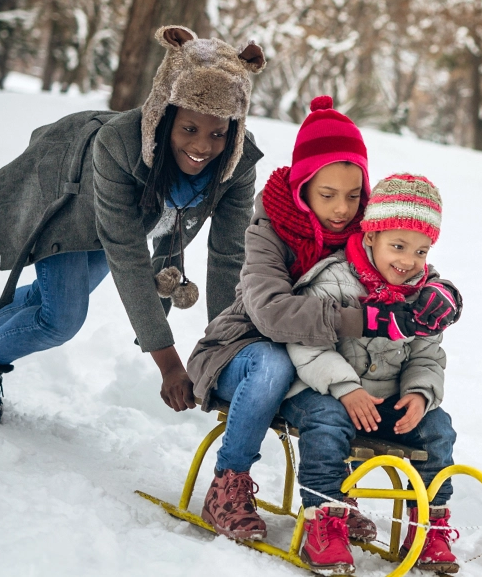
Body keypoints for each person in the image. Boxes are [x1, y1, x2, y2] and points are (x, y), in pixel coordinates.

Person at [181, 97, 462, 560]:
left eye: (354, 196)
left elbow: (411, 258)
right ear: (302, 185)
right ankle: (228, 484)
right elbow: (274, 316)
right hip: (247, 349)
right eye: (327, 194)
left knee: (419, 422)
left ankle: (394, 515)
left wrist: (441, 294)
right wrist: (372, 321)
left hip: (322, 367)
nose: (341, 208)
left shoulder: (371, 238)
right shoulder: (269, 230)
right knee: (277, 367)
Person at [0, 26, 267, 424]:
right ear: (165, 118)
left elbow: (228, 257)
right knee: (60, 318)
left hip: (122, 217)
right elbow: (127, 257)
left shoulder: (236, 161)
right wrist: (168, 365)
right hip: (69, 201)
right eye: (189, 129)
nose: (202, 146)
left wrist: (223, 350)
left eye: (218, 133)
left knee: (52, 297)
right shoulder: (118, 145)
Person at [283, 174, 460, 575]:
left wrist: (418, 394)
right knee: (326, 423)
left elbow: (428, 355)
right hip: (323, 392)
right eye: (397, 246)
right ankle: (324, 520)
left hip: (384, 401)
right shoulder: (332, 282)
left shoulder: (424, 296)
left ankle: (427, 523)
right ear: (370, 238)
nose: (407, 261)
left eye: (420, 251)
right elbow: (307, 343)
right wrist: (345, 388)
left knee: (438, 428)